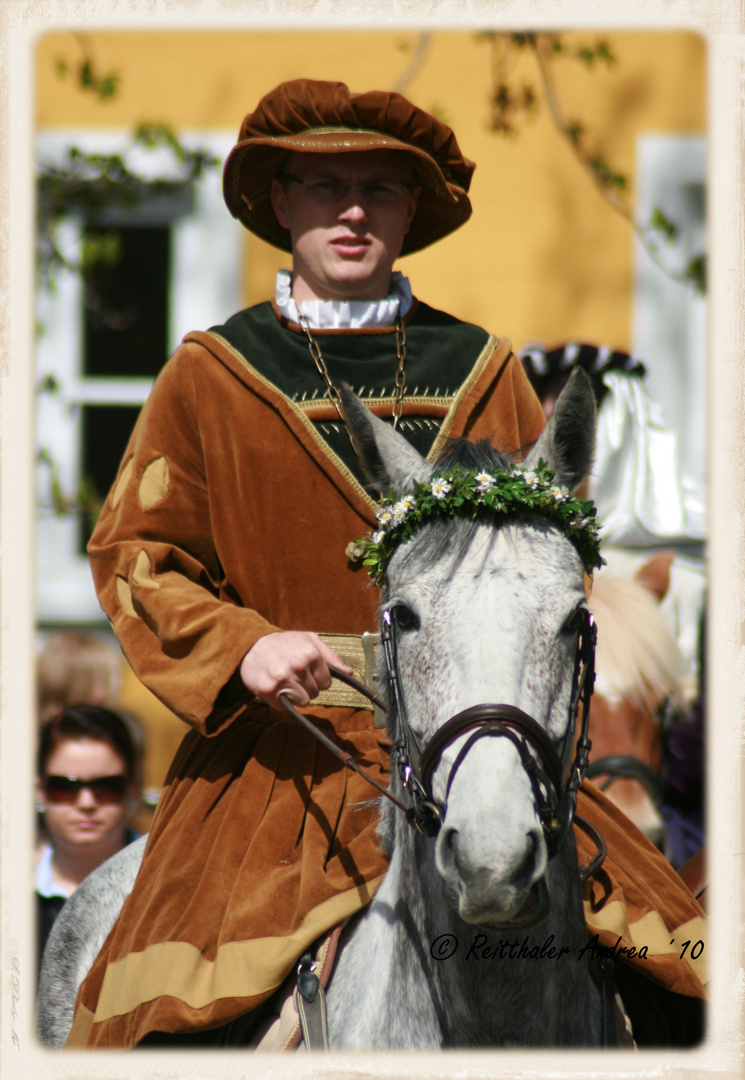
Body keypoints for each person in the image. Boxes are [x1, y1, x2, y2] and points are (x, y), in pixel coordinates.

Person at [67, 79, 705, 1049]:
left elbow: (550, 570)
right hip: (281, 750)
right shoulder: (209, 372)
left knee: (682, 976)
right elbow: (134, 555)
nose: (354, 210)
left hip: (490, 741)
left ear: (415, 210)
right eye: (325, 188)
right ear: (278, 204)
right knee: (168, 1015)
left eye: (380, 188)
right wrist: (240, 647)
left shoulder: (485, 369)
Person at [35, 704, 142, 981]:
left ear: (133, 788)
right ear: (40, 791)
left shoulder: (167, 884)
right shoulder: (12, 897)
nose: (86, 803)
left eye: (106, 787)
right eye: (65, 787)